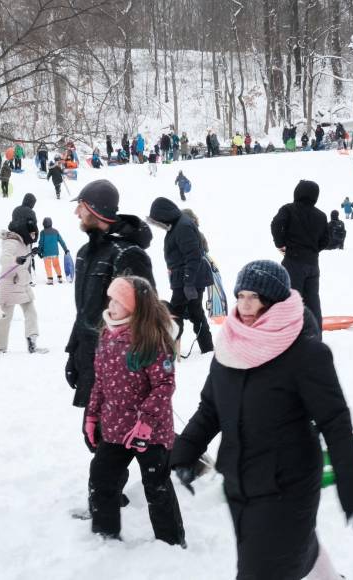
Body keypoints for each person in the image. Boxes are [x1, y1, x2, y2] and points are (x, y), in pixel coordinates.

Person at [170, 260, 353, 579]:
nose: (245, 305)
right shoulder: (230, 346)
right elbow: (210, 409)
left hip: (288, 486)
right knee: (287, 552)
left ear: (274, 301)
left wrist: (352, 484)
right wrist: (184, 452)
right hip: (240, 482)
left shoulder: (305, 354)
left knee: (261, 570)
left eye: (255, 297)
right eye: (241, 296)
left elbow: (335, 422)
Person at [85, 276, 185, 546]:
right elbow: (100, 380)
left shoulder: (151, 338)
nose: (112, 304)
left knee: (157, 486)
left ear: (134, 307)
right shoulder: (107, 334)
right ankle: (105, 537)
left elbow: (164, 384)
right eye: (111, 298)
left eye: (118, 300)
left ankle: (171, 543)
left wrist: (146, 423)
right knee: (101, 480)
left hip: (149, 433)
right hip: (115, 428)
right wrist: (92, 415)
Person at [65, 179, 155, 412]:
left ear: (95, 210)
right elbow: (84, 312)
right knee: (95, 437)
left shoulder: (128, 254)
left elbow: (146, 315)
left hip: (120, 367)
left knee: (117, 440)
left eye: (81, 206)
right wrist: (74, 352)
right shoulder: (86, 253)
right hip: (91, 359)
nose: (76, 212)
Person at [147, 197, 214, 355]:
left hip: (189, 280)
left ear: (163, 215)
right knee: (195, 313)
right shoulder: (177, 225)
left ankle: (169, 350)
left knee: (174, 313)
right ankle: (207, 348)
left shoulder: (182, 226)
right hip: (186, 279)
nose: (157, 224)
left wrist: (189, 283)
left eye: (157, 220)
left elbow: (193, 256)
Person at [270, 180, 330, 326]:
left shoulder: (289, 209)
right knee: (312, 302)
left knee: (289, 301)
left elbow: (276, 224)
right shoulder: (321, 216)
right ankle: (315, 338)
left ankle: (290, 339)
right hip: (313, 264)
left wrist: (280, 244)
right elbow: (326, 240)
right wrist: (313, 250)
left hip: (293, 262)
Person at [0, 213, 45, 354]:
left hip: (22, 282)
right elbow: (4, 259)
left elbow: (23, 258)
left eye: (35, 234)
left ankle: (32, 342)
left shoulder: (23, 241)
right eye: (33, 234)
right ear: (26, 232)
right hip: (9, 284)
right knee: (5, 316)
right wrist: (16, 260)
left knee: (31, 311)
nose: (34, 237)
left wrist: (32, 253)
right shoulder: (12, 241)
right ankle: (0, 347)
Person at [38, 217, 69, 285]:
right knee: (56, 265)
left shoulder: (42, 232)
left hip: (46, 253)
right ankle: (60, 277)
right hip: (55, 253)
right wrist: (65, 249)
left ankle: (50, 279)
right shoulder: (55, 231)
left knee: (48, 266)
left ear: (43, 224)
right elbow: (61, 241)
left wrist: (39, 251)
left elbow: (41, 243)